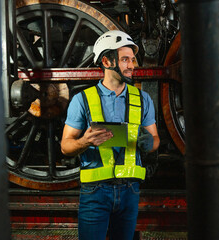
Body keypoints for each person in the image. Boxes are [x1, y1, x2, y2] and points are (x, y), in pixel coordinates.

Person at [61, 30, 160, 240]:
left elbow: (155, 139)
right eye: (125, 59)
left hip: (130, 191)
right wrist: (84, 141)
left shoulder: (143, 99)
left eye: (132, 60)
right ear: (106, 61)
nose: (131, 65)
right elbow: (65, 146)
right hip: (95, 192)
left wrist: (150, 142)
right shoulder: (82, 100)